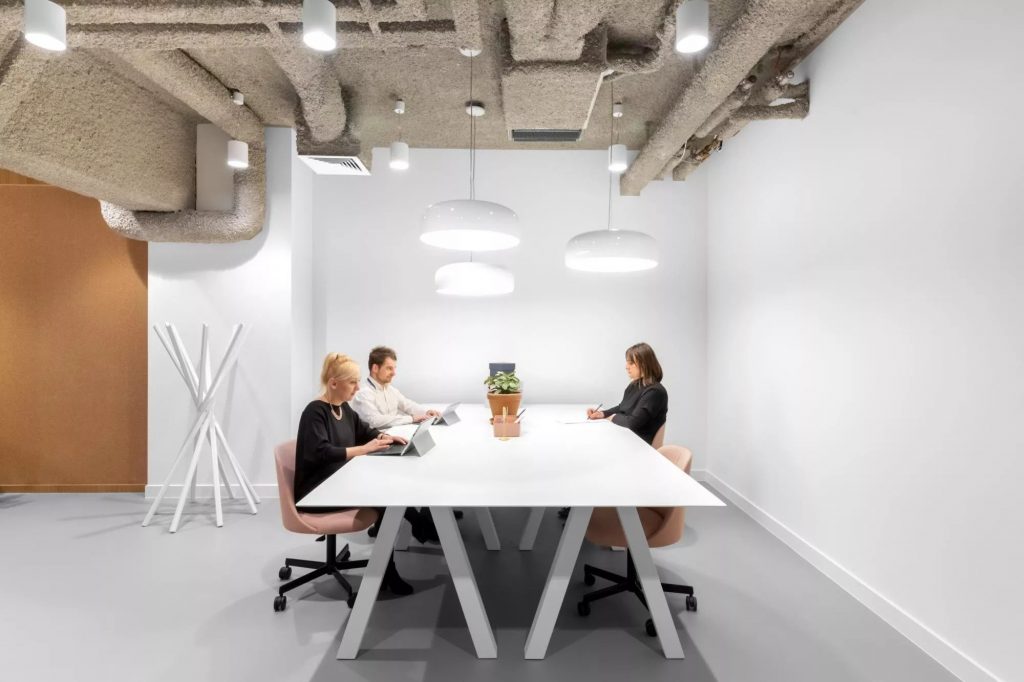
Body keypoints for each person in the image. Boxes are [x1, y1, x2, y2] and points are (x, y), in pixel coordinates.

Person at [294, 352, 436, 596]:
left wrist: (384, 437)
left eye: (358, 381)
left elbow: (366, 431)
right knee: (385, 501)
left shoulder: (343, 409)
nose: (358, 387)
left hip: (338, 482)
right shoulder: (315, 412)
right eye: (352, 382)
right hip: (318, 492)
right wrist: (363, 450)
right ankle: (391, 565)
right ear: (333, 383)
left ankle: (391, 564)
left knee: (387, 494)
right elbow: (321, 453)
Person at [560, 343, 669, 521]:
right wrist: (602, 413)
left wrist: (610, 418)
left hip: (637, 446)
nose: (626, 366)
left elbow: (633, 423)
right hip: (625, 439)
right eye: (627, 362)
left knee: (588, 456)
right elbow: (622, 407)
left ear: (645, 364)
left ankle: (582, 514)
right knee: (582, 450)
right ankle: (579, 506)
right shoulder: (635, 386)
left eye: (631, 363)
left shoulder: (655, 392)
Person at [351, 346, 440, 429]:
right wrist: (411, 418)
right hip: (376, 441)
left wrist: (426, 412)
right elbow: (375, 421)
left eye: (394, 368)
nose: (394, 373)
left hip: (394, 435)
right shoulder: (363, 393)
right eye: (389, 368)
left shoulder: (390, 389)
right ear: (375, 368)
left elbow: (407, 405)